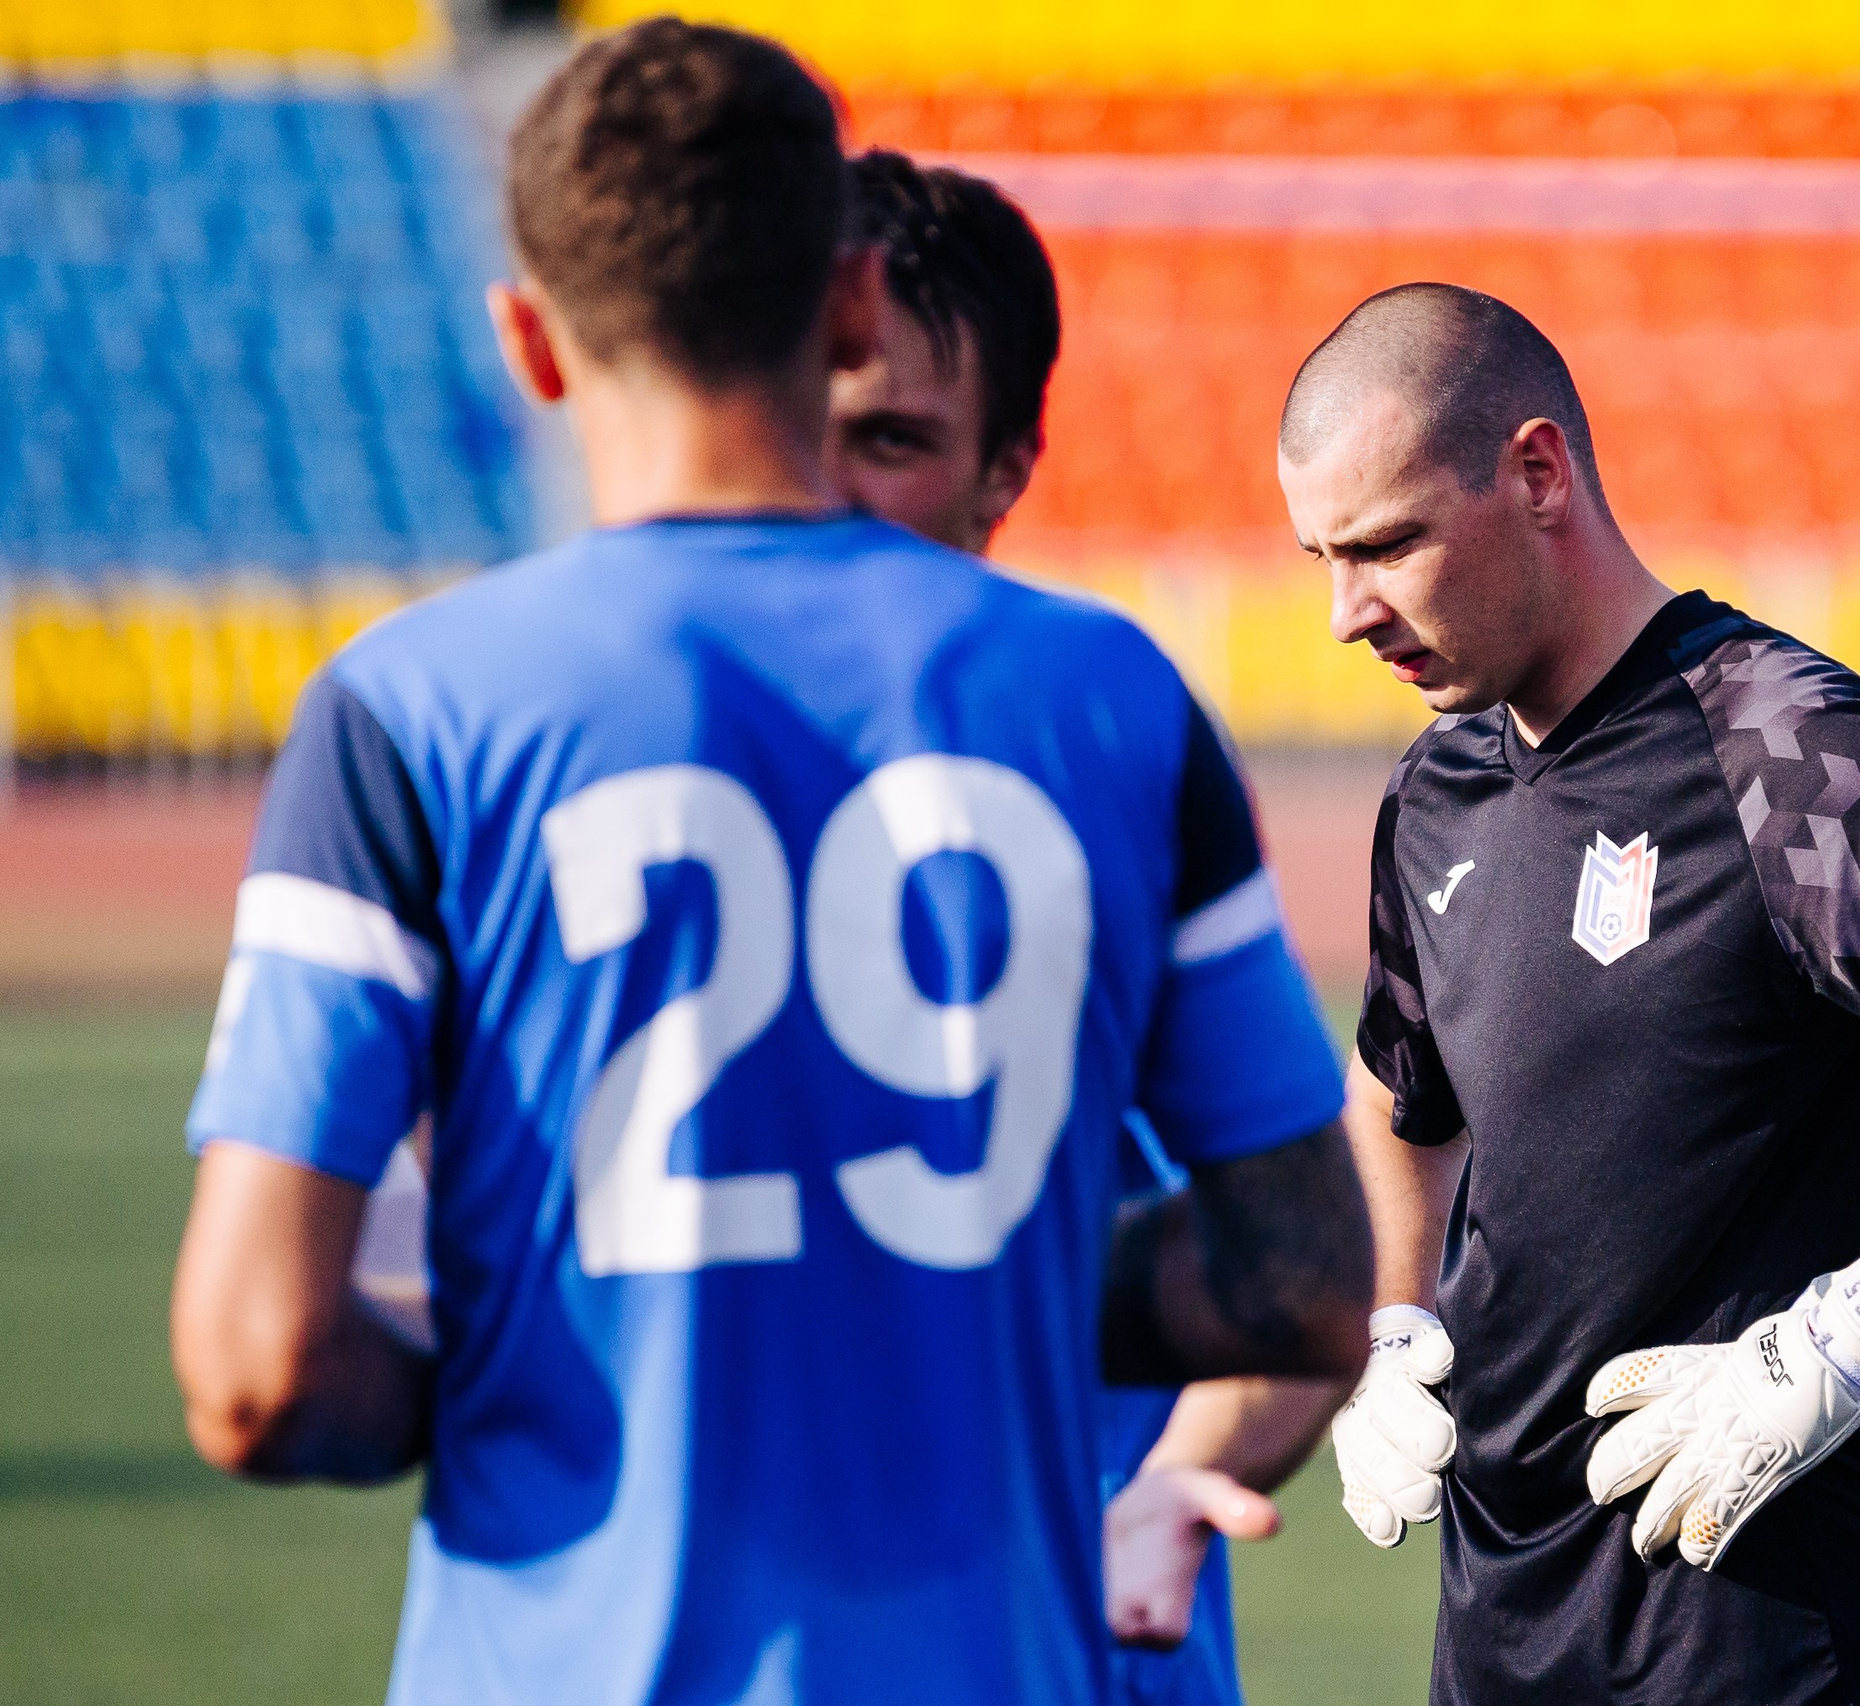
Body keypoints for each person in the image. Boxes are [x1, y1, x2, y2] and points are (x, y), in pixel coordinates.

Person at [166, 24, 1371, 1706]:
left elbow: (255, 1367)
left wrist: (560, 1312)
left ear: (528, 340)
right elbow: (1306, 1281)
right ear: (856, 307)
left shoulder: (401, 710)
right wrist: (940, 1283)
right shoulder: (1111, 703)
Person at [1276, 284, 1860, 1706]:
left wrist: (1852, 1337)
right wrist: (1387, 1326)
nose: (1350, 611)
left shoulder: (1779, 742)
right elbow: (1401, 1091)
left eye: (1390, 543)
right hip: (1495, 1638)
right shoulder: (1437, 785)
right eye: (1324, 557)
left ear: (1539, 473)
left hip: (1762, 1640)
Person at [824, 148, 1350, 1703]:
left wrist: (1181, 1478)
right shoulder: (632, 750)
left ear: (1008, 467)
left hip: (1067, 1622)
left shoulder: (1096, 745)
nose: (836, 494)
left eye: (896, 442)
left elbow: (1299, 1257)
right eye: (811, 434)